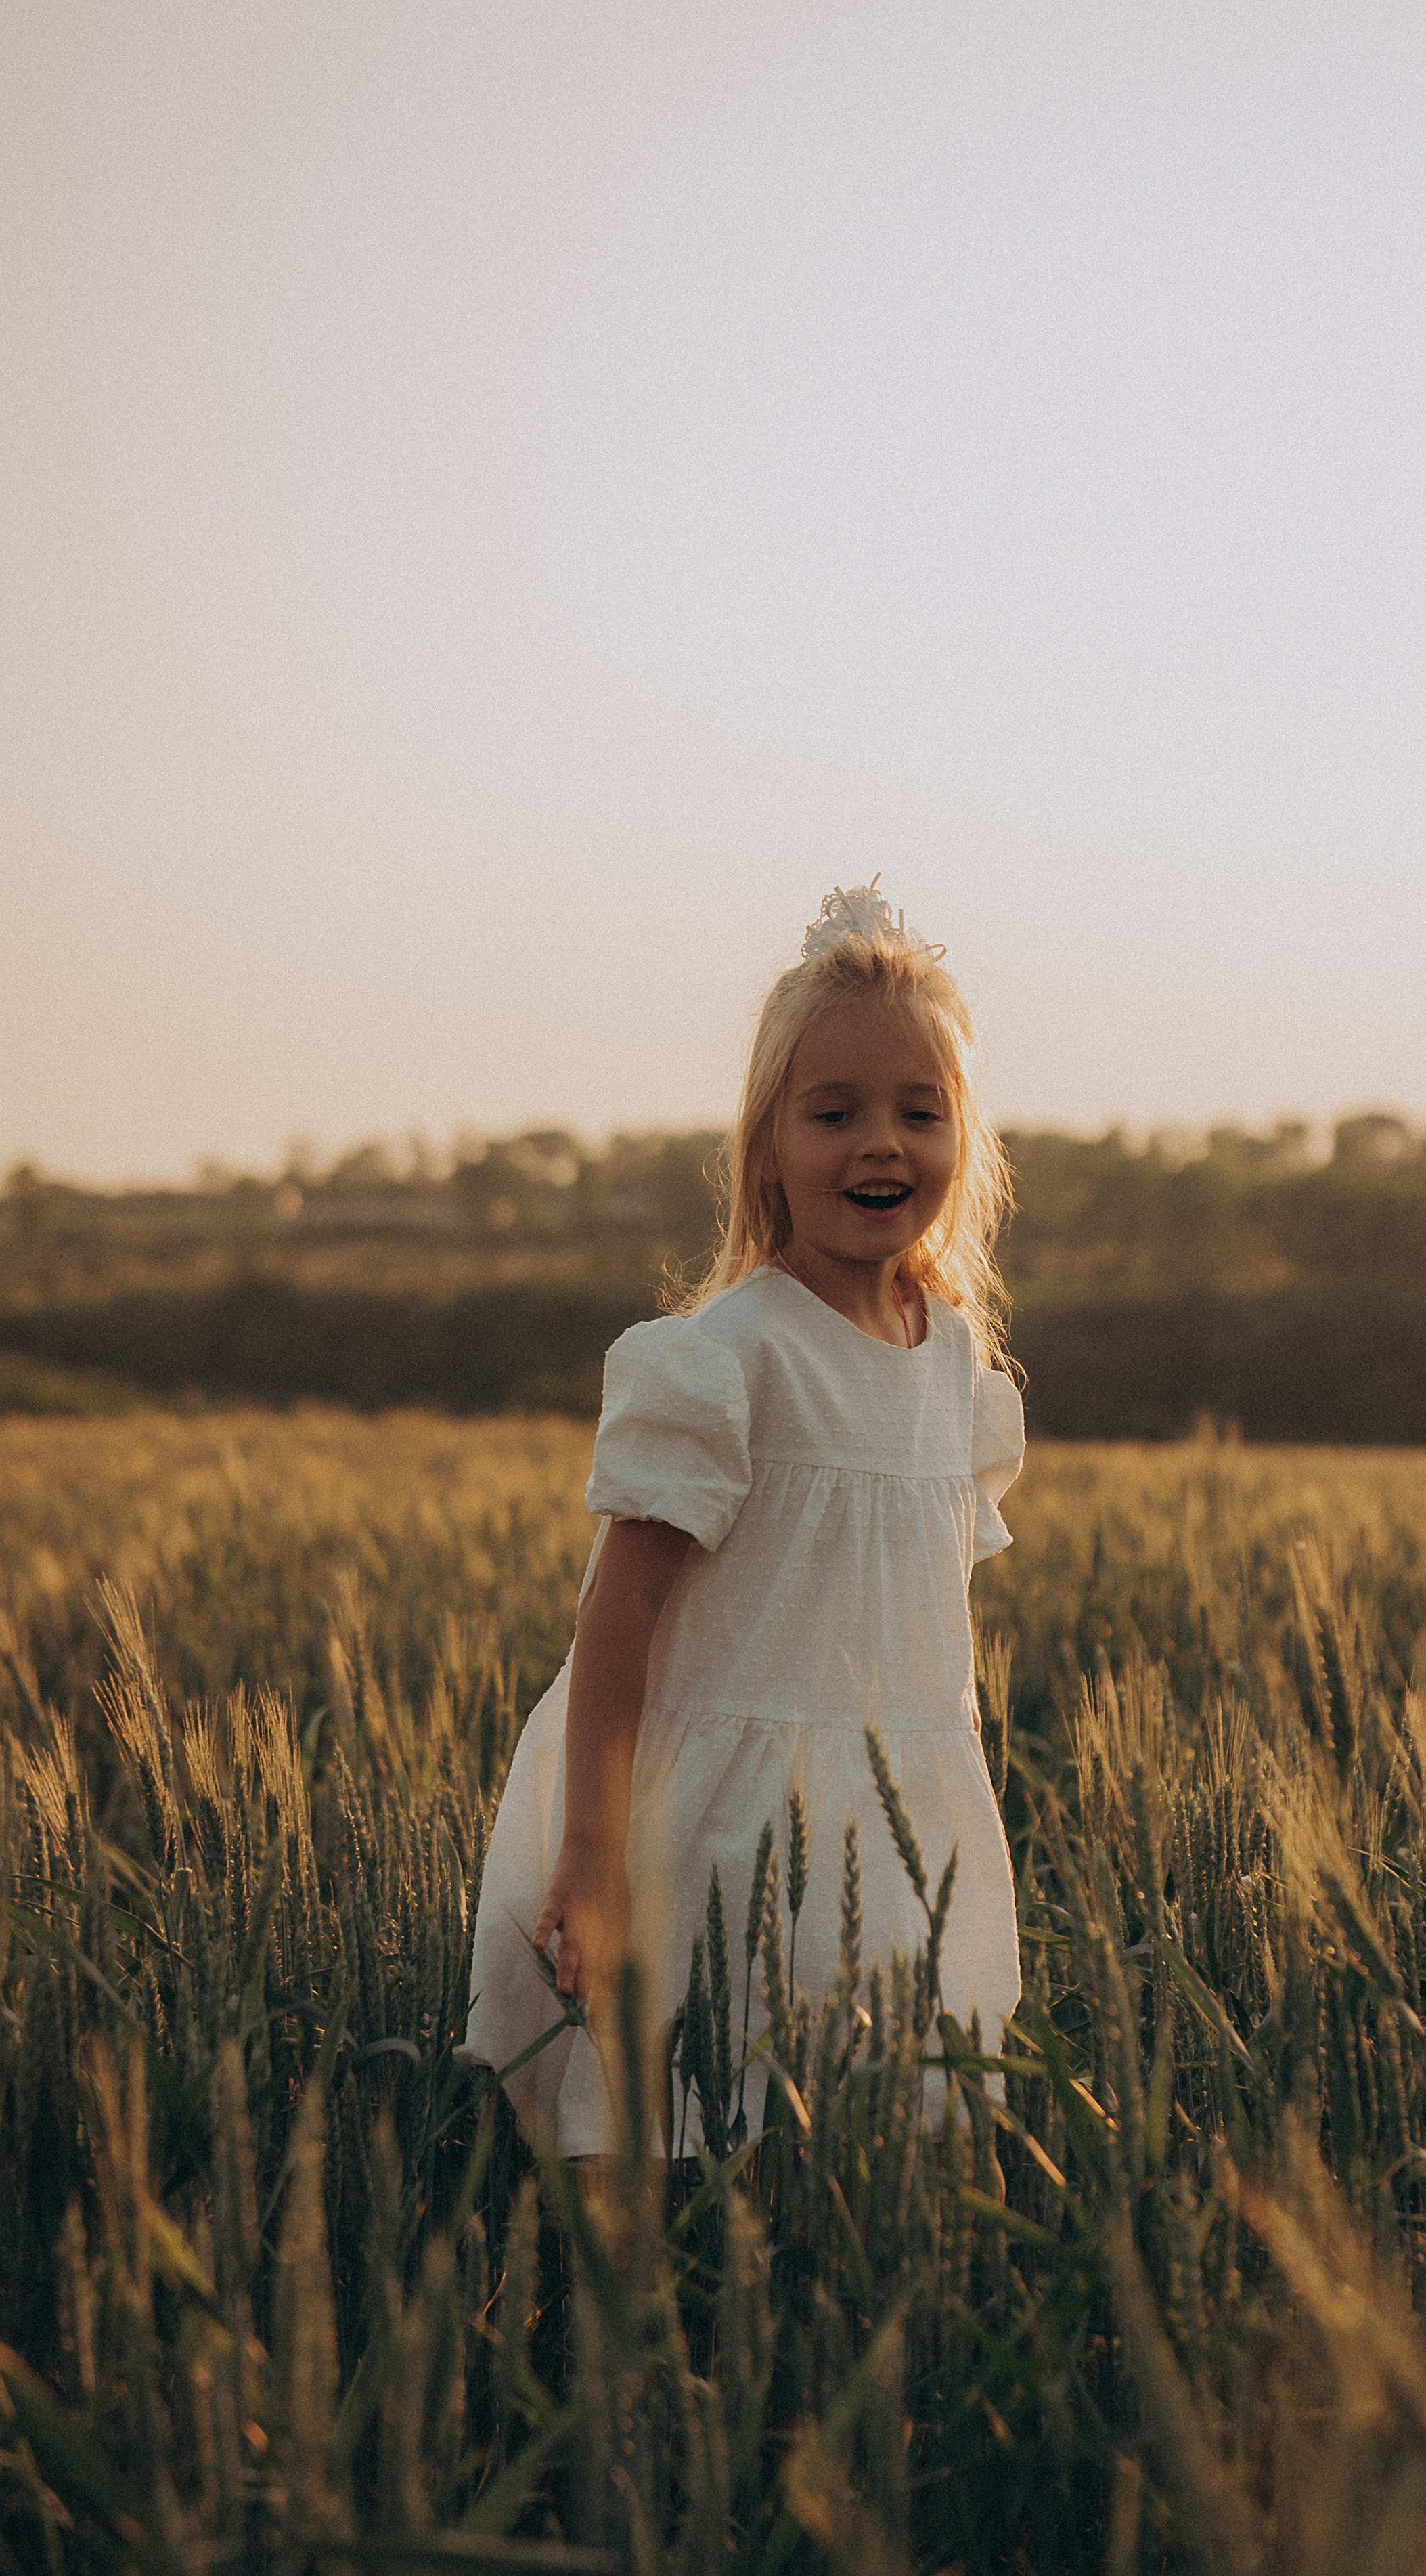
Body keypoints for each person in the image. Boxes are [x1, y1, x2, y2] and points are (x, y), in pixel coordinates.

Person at [462, 881, 1025, 2157]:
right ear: (766, 1143)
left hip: (892, 1824)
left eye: (919, 1113)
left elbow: (926, 1611)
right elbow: (621, 1610)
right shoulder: (732, 1357)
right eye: (835, 1114)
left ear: (965, 1139)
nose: (881, 1144)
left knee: (874, 2153)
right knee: (708, 2146)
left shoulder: (957, 1363)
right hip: (724, 1837)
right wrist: (594, 1853)